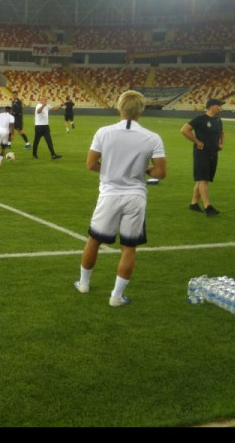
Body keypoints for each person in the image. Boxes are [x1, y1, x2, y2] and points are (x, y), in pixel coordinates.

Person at [73, 90, 166, 307]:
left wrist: (111, 170)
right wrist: (144, 170)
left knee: (94, 240)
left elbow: (91, 164)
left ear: (119, 108)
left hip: (109, 195)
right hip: (135, 196)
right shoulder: (152, 137)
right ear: (141, 111)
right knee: (129, 247)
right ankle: (116, 296)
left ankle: (84, 284)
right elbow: (160, 172)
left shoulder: (104, 132)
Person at [181, 98, 225, 217]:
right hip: (201, 153)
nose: (221, 108)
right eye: (219, 105)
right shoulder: (200, 119)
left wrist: (221, 143)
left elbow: (221, 132)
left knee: (203, 180)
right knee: (203, 180)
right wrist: (196, 141)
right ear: (211, 106)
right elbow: (184, 130)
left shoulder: (218, 120)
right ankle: (207, 207)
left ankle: (194, 204)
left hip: (213, 153)